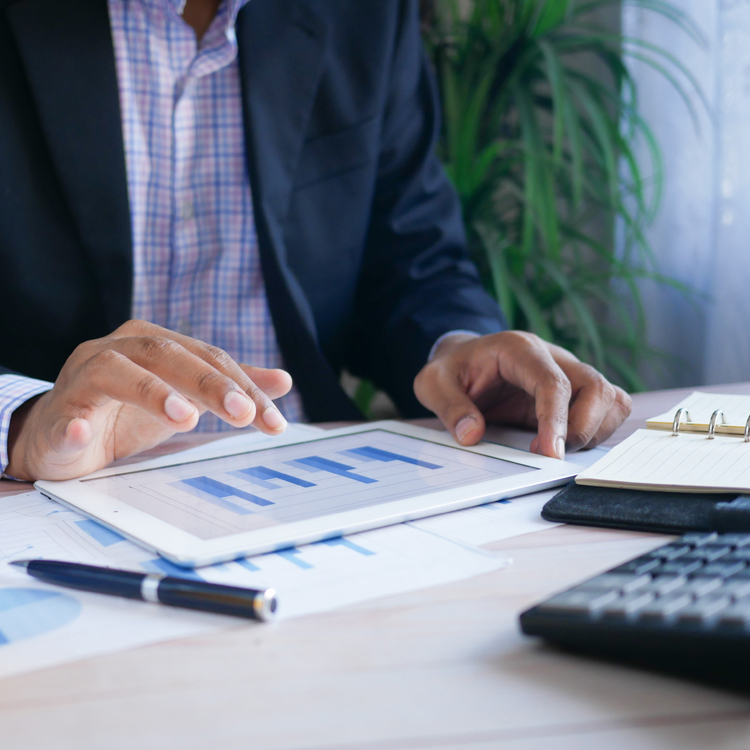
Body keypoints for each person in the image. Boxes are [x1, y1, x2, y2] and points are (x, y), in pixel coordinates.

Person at [0, 0, 631, 482]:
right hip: (50, 488)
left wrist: (460, 346)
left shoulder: (364, 13)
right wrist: (23, 423)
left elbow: (410, 255)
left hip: (305, 474)